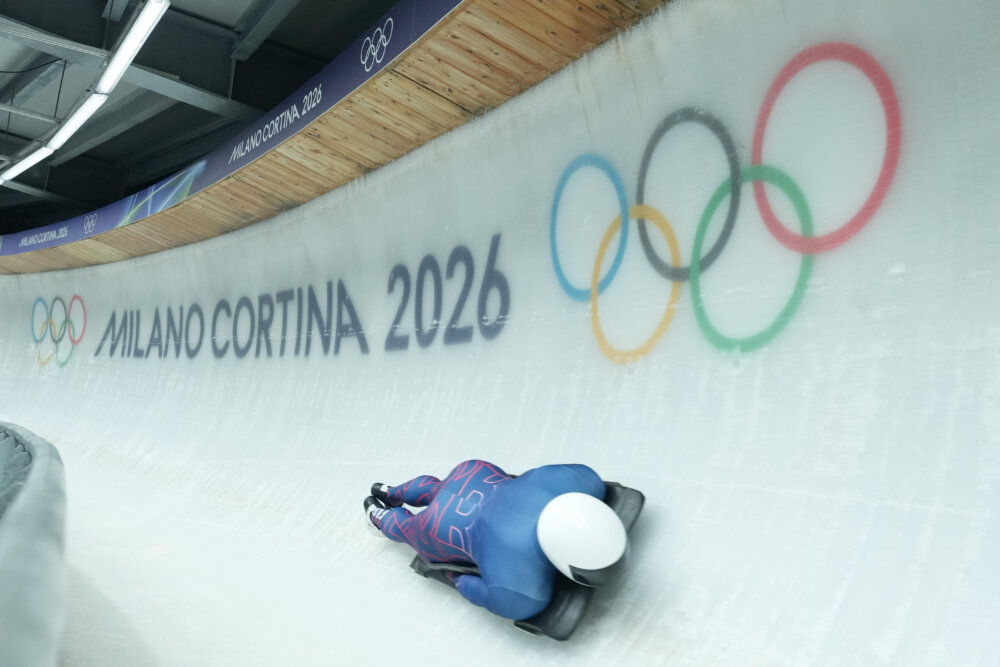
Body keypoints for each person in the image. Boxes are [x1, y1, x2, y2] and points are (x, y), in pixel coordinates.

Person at [364, 459, 629, 621]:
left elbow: (576, 472)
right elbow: (494, 598)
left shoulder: (581, 480)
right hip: (444, 527)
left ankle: (392, 491)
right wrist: (455, 577)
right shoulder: (522, 592)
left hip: (476, 473)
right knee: (412, 529)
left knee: (437, 487)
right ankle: (379, 517)